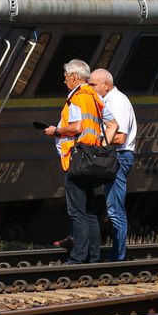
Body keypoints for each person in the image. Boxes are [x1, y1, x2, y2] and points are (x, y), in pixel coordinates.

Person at [44, 60, 109, 264]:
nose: (65, 82)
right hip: (91, 158)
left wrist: (56, 130)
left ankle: (78, 257)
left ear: (73, 76)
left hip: (76, 159)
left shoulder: (77, 97)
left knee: (77, 211)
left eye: (65, 77)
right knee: (89, 211)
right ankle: (93, 256)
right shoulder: (94, 96)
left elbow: (77, 126)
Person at [91, 68, 137, 261]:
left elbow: (119, 137)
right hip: (111, 157)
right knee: (108, 206)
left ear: (106, 85)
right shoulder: (108, 101)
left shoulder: (118, 102)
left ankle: (118, 256)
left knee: (115, 209)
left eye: (93, 84)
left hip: (119, 157)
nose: (90, 88)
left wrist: (93, 141)